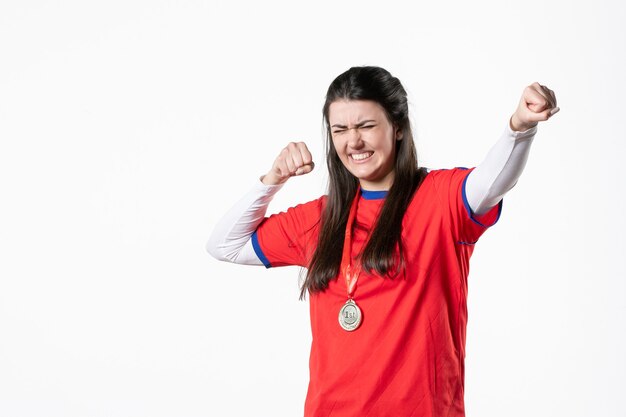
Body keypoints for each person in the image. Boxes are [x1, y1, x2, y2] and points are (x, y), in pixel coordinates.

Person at [206, 66, 558, 417]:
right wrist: (273, 179)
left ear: (399, 128)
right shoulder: (319, 218)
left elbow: (490, 184)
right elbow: (224, 245)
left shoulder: (439, 200)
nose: (353, 141)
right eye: (340, 130)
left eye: (365, 126)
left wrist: (520, 127)